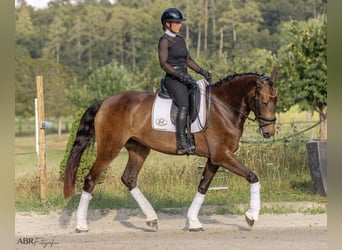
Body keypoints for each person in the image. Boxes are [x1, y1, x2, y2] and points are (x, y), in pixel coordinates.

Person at [158, 7, 211, 154]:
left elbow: (187, 59)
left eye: (180, 22)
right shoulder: (164, 41)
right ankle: (181, 143)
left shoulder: (180, 40)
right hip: (172, 79)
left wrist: (202, 71)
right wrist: (178, 75)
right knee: (183, 105)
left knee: (197, 97)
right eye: (177, 22)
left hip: (185, 77)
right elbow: (163, 64)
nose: (180, 25)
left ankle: (192, 135)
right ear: (168, 24)